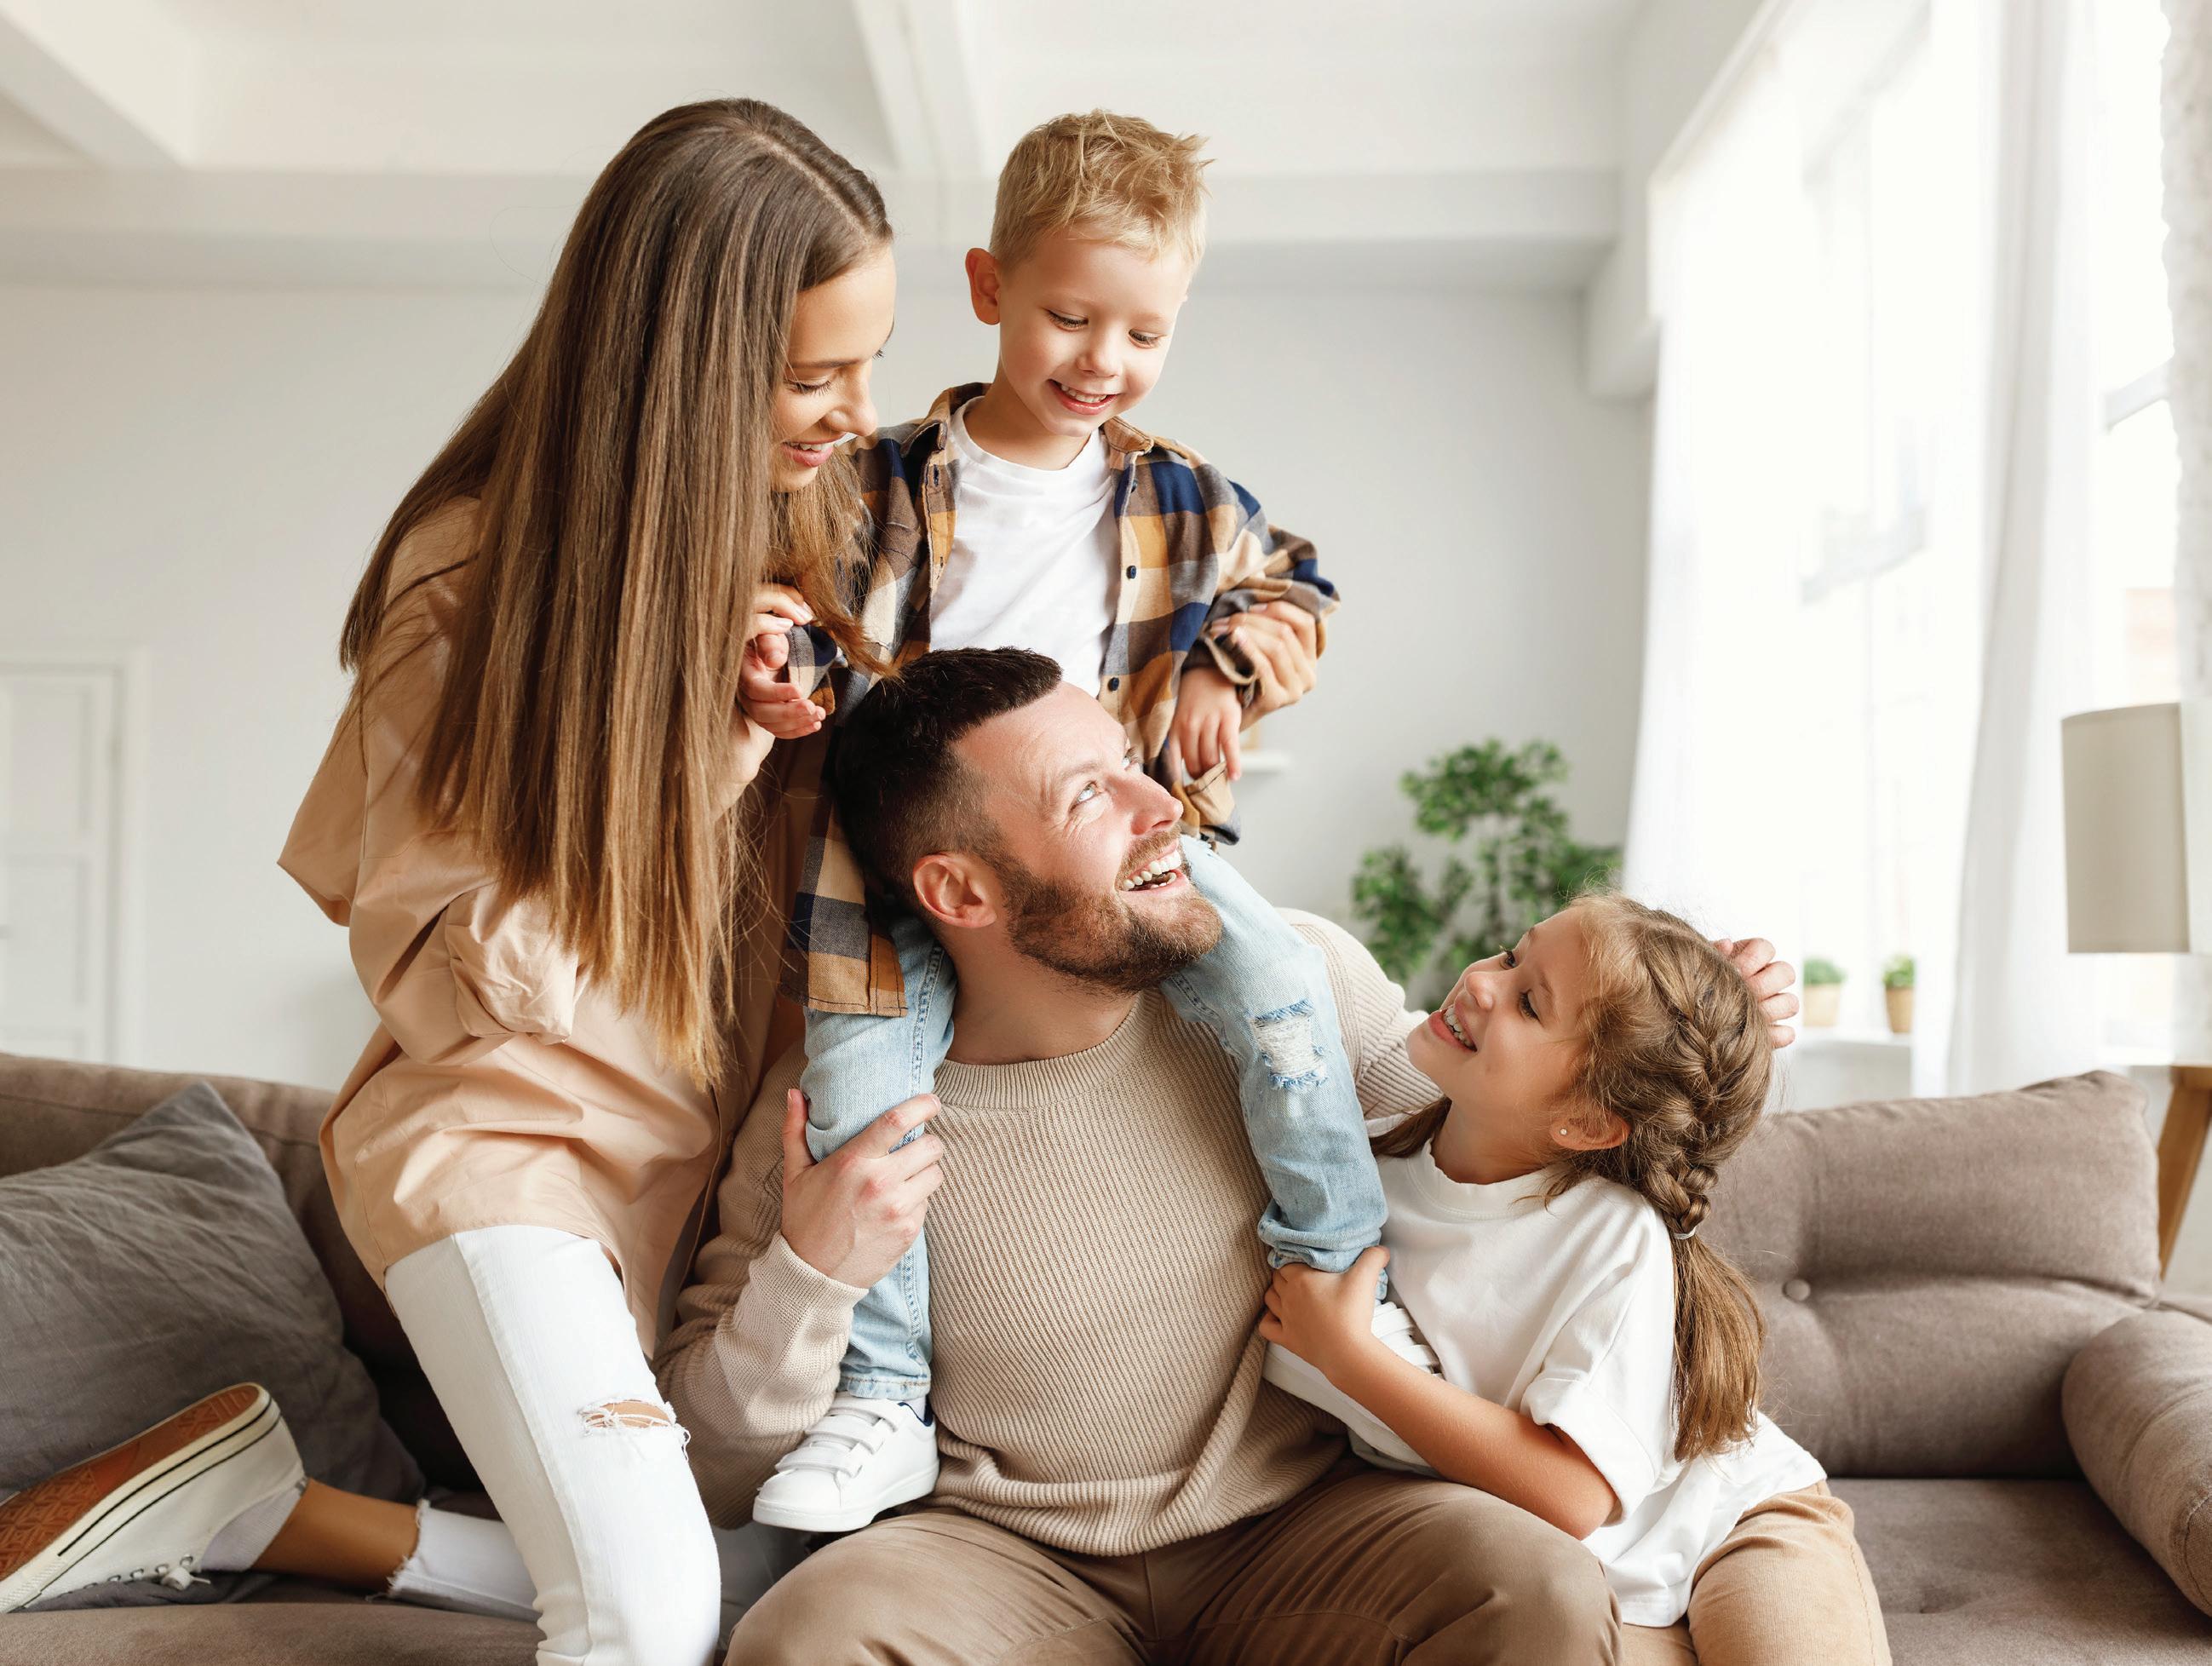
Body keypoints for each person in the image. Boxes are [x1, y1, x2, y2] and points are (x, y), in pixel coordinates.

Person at [0, 99, 899, 1666]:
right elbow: (474, 981)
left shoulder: (801, 542)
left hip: (682, 1173)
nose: (854, 415)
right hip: (501, 1152)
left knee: (762, 1583)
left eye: (867, 364)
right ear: (685, 374)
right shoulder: (468, 589)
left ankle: (261, 1515)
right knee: (646, 1614)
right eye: (812, 376)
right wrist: (708, 751)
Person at [663, 648, 1797, 1665]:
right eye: (1089, 794)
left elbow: (1530, 1138)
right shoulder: (837, 1110)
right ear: (960, 890)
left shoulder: (1296, 985)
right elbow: (708, 1466)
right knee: (807, 1641)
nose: (1162, 805)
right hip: (999, 1556)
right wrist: (813, 1272)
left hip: (1310, 1527)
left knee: (1530, 1584)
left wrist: (1686, 1026)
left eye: (1128, 761)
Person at [736, 107, 1404, 1535]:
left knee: (1283, 990)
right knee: (862, 1107)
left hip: (1130, 855)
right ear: (989, 288)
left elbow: (1296, 589)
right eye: (1069, 317)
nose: (1103, 360)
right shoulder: (872, 481)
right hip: (888, 869)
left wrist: (1228, 664)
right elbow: (791, 607)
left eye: (1143, 333)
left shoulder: (1184, 498)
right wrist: (778, 667)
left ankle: (1344, 1279)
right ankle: (883, 1397)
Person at [1259, 896, 1889, 1664]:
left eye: (1528, 1002)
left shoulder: (1611, 1232)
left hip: (1735, 1524)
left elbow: (1572, 1493)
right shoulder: (1359, 1179)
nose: (1482, 981)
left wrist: (1349, 1357)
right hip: (1576, 1584)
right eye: (1509, 955)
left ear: (1588, 1124)